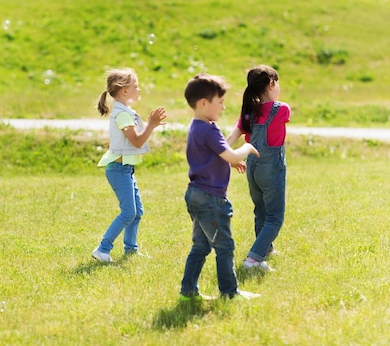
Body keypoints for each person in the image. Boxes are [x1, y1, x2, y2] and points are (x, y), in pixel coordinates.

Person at [179, 73, 260, 301]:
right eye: (220, 102)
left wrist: (231, 157)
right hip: (210, 198)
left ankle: (188, 292)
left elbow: (218, 153)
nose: (223, 107)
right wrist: (248, 147)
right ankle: (229, 293)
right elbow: (232, 154)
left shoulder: (197, 127)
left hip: (195, 194)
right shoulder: (209, 129)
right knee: (225, 246)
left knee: (201, 246)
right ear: (204, 103)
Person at [91, 68, 166, 263]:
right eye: (136, 86)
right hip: (118, 170)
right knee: (129, 212)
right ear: (124, 90)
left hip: (126, 170)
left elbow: (135, 138)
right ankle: (102, 249)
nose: (139, 89)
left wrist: (150, 124)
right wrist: (151, 125)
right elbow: (136, 142)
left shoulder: (125, 112)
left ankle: (131, 249)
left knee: (137, 212)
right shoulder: (122, 114)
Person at [227, 65, 290, 271]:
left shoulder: (249, 112)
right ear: (271, 84)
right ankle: (253, 259)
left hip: (252, 167)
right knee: (275, 217)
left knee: (260, 210)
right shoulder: (281, 109)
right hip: (271, 168)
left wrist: (225, 155)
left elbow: (232, 137)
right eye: (277, 83)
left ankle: (266, 248)